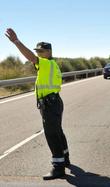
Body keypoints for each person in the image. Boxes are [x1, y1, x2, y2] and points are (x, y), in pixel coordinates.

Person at [5, 28, 70, 180]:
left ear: (49, 52)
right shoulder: (52, 64)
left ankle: (58, 167)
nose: (39, 53)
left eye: (42, 51)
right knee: (58, 132)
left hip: (50, 103)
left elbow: (31, 58)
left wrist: (16, 42)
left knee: (52, 134)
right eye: (38, 51)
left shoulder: (47, 64)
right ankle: (65, 157)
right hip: (54, 102)